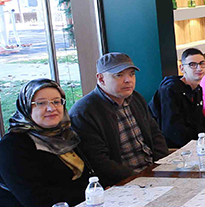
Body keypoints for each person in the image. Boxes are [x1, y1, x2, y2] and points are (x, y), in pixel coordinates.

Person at [0, 79, 92, 207]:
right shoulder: (12, 147)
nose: (51, 108)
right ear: (26, 106)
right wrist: (89, 196)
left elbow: (88, 174)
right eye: (41, 103)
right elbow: (37, 200)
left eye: (56, 102)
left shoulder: (64, 135)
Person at [70, 53, 169, 186]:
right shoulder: (84, 112)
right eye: (119, 75)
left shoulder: (136, 98)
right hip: (122, 183)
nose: (128, 80)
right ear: (101, 79)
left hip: (152, 172)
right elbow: (99, 162)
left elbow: (155, 135)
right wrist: (140, 178)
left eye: (132, 74)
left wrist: (162, 166)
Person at [152, 48, 205, 148]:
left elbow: (197, 119)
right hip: (173, 147)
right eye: (192, 65)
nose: (199, 68)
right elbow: (172, 130)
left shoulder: (197, 89)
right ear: (182, 68)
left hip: (193, 141)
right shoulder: (170, 90)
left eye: (202, 63)